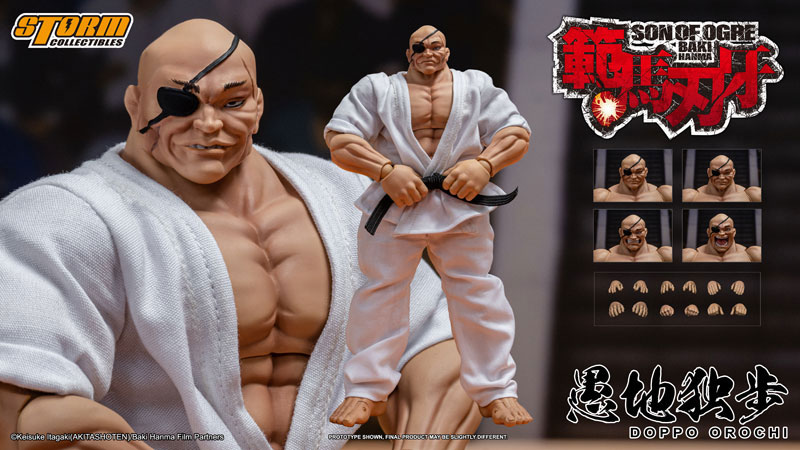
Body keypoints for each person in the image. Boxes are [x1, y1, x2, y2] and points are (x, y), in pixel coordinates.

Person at [0, 20, 479, 450]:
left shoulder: (344, 193)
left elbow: (430, 337)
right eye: (179, 102)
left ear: (258, 104)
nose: (209, 125)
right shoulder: (63, 217)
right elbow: (19, 398)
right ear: (135, 104)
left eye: (232, 102)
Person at [324, 25, 532, 428]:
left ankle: (495, 389)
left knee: (476, 290)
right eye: (419, 47)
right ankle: (366, 388)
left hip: (460, 202)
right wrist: (385, 170)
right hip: (396, 201)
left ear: (447, 50)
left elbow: (516, 133)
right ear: (408, 53)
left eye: (435, 46)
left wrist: (484, 164)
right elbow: (340, 138)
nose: (428, 52)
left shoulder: (475, 86)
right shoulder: (378, 89)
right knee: (381, 291)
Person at [683, 214, 762, 262]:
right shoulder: (689, 256)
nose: (721, 233)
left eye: (727, 229)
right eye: (715, 229)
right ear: (708, 232)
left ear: (734, 232)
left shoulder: (754, 255)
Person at [593, 153, 671, 202]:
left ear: (646, 172)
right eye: (628, 172)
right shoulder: (601, 196)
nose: (633, 177)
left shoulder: (665, 193)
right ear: (620, 172)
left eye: (638, 171)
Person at [593, 215, 672, 262]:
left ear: (645, 232)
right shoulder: (602, 257)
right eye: (627, 232)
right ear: (620, 232)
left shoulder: (665, 255)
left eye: (638, 232)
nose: (633, 237)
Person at [682, 154, 761, 202]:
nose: (721, 177)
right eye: (716, 173)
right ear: (708, 172)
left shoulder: (753, 195)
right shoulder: (689, 196)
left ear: (733, 173)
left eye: (727, 172)